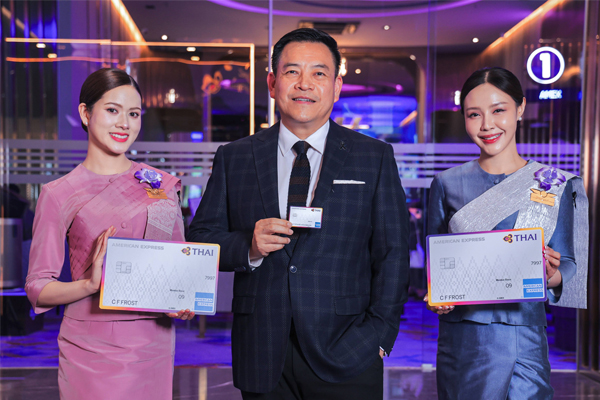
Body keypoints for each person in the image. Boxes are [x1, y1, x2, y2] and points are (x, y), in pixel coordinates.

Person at [187, 28, 410, 399]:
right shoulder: (235, 156)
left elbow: (393, 253)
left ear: (336, 86)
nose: (304, 83)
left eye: (319, 73)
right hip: (261, 350)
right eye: (292, 72)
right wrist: (249, 246)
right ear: (272, 83)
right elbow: (200, 240)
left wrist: (380, 335)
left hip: (349, 349)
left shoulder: (373, 157)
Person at [25, 68, 194, 400]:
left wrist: (181, 300)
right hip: (91, 347)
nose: (124, 124)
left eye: (133, 114)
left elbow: (177, 264)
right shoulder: (59, 193)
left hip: (154, 341)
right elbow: (37, 288)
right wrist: (89, 285)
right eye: (113, 110)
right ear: (85, 113)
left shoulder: (160, 184)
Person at [426, 67, 588, 399]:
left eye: (498, 110)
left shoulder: (552, 183)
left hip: (525, 337)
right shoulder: (446, 184)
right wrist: (437, 297)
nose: (487, 124)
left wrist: (552, 274)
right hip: (464, 340)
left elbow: (571, 264)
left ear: (520, 108)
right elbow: (436, 266)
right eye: (474, 114)